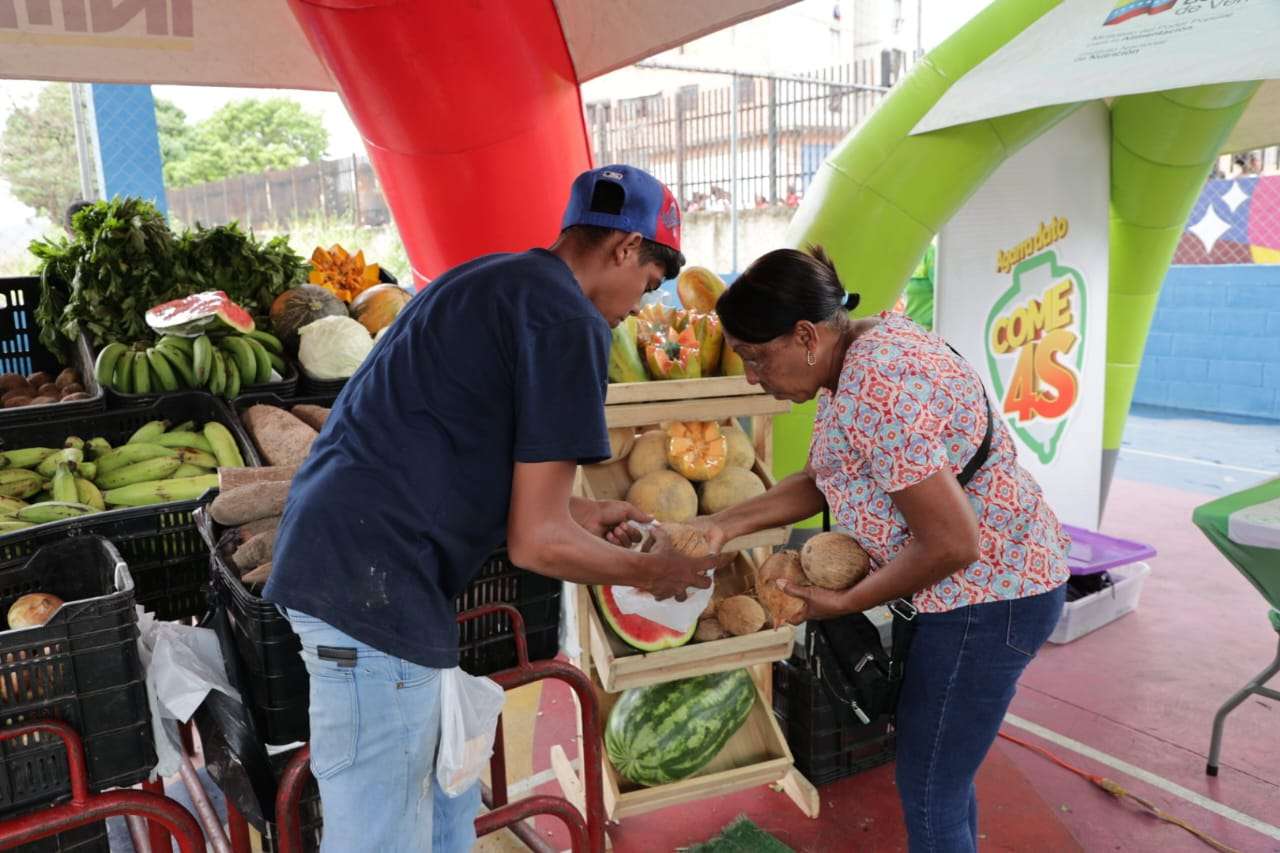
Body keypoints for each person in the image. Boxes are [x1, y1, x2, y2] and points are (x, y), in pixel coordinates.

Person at [264, 165, 716, 853]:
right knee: (381, 839)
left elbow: (457, 447)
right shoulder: (569, 321)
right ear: (626, 248)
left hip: (355, 561)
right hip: (372, 590)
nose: (638, 306)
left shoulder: (485, 278)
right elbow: (536, 544)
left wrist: (578, 513)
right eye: (648, 283)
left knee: (443, 817)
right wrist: (649, 572)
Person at [693, 245, 1069, 853]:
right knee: (942, 779)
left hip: (989, 598)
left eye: (756, 357)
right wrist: (721, 526)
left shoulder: (875, 385)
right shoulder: (857, 352)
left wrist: (847, 602)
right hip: (977, 590)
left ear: (805, 335)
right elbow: (821, 478)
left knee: (929, 789)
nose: (751, 377)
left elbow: (953, 543)